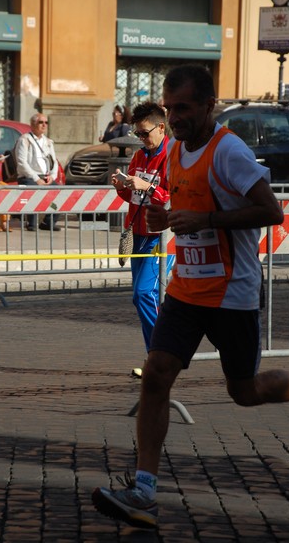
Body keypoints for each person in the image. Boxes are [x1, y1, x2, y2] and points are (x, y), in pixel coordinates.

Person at [92, 64, 289, 530]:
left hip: (232, 294)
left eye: (184, 108)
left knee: (244, 392)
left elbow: (271, 211)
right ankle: (144, 490)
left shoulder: (228, 150)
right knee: (155, 374)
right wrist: (166, 219)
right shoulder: (173, 152)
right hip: (187, 290)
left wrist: (207, 220)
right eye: (170, 110)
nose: (175, 119)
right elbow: (183, 207)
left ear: (209, 105)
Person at [112, 101, 173, 377]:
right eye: (137, 134)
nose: (141, 139)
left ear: (161, 128)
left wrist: (147, 186)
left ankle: (161, 359)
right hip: (138, 233)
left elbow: (175, 199)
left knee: (144, 294)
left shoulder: (174, 155)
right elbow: (134, 198)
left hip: (162, 237)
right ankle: (158, 358)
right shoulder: (139, 157)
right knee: (142, 298)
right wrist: (123, 187)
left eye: (145, 133)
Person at [15, 113, 61, 232]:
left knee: (60, 192)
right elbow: (21, 162)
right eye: (41, 122)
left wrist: (52, 176)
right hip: (29, 176)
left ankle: (48, 222)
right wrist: (36, 179)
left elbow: (54, 162)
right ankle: (32, 223)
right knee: (34, 190)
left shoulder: (48, 142)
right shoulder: (25, 139)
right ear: (33, 124)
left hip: (45, 176)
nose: (44, 125)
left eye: (46, 122)